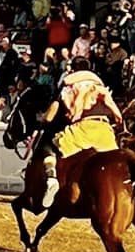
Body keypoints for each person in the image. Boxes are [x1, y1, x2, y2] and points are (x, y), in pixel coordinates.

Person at [38, 57, 123, 208]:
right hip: (104, 131)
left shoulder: (69, 87)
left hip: (82, 130)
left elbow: (68, 113)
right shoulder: (100, 87)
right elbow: (116, 112)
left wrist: (47, 118)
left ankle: (52, 180)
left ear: (74, 69)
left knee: (48, 146)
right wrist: (118, 120)